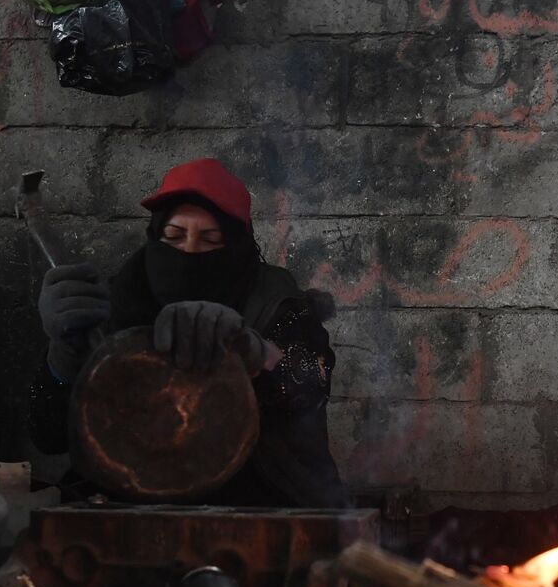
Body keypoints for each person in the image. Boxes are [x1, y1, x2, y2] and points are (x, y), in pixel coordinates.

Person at [29, 158, 345, 508]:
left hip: (255, 510)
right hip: (127, 509)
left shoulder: (279, 304)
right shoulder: (116, 303)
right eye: (175, 236)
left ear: (239, 247)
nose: (190, 253)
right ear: (155, 235)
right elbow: (48, 433)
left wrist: (250, 351)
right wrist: (64, 355)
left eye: (211, 240)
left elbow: (307, 388)